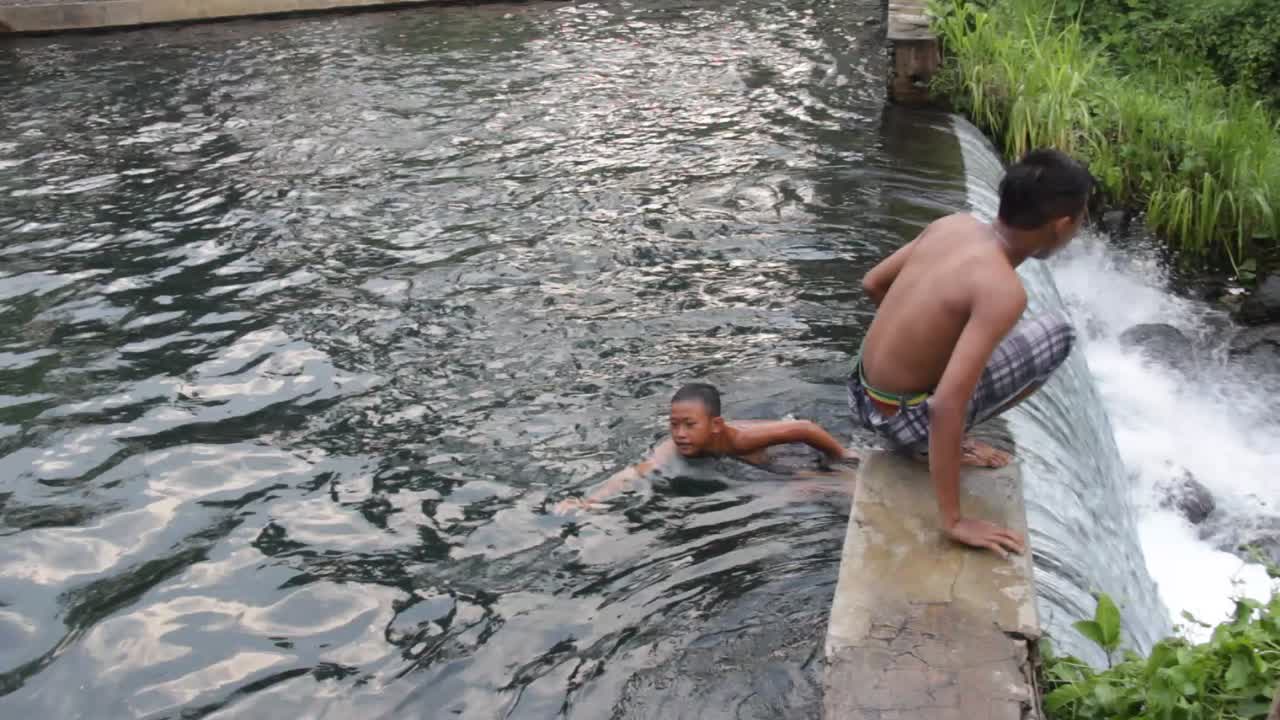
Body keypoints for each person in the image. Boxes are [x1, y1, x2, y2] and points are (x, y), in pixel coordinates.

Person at [850, 148, 1088, 558]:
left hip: (859, 395)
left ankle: (929, 426)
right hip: (905, 422)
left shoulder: (952, 225)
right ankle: (943, 443)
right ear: (1062, 224)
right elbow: (947, 403)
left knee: (962, 368)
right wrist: (955, 521)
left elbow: (873, 283)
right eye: (1081, 220)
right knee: (1059, 333)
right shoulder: (1002, 290)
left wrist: (920, 346)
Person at [555, 383, 858, 512]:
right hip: (754, 462)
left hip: (786, 453)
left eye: (689, 424)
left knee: (802, 486)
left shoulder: (741, 438)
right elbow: (634, 473)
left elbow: (804, 428)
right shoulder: (671, 448)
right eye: (674, 425)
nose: (680, 434)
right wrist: (589, 501)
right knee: (796, 489)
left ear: (715, 425)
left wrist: (840, 456)